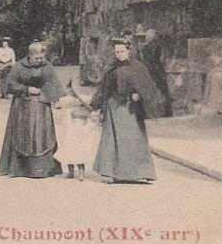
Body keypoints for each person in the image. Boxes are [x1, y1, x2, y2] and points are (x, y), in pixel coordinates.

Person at [90, 37, 163, 183]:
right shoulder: (112, 68)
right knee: (111, 139)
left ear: (129, 51)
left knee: (132, 139)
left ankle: (138, 173)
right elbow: (103, 89)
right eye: (116, 51)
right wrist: (95, 107)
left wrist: (139, 94)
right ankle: (109, 172)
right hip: (113, 107)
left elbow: (148, 87)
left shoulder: (138, 67)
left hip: (130, 109)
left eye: (122, 51)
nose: (119, 54)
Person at [0, 41, 65, 178]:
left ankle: (42, 168)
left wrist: (56, 100)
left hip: (42, 107)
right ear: (30, 55)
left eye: (41, 57)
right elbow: (10, 85)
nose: (39, 61)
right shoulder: (18, 67)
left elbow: (53, 83)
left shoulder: (47, 66)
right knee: (23, 134)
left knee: (42, 135)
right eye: (36, 58)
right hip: (22, 107)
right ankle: (21, 169)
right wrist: (26, 89)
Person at [55, 94, 98, 181]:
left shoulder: (84, 127)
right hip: (71, 140)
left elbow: (90, 126)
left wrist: (93, 121)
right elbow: (65, 120)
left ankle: (81, 173)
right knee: (69, 156)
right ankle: (71, 172)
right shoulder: (70, 124)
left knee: (80, 157)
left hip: (79, 142)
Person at [141, 29, 173, 117]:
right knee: (162, 90)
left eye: (146, 36)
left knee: (156, 90)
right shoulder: (156, 45)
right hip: (157, 70)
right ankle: (165, 112)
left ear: (149, 37)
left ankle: (158, 112)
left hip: (153, 71)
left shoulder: (150, 46)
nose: (145, 37)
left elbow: (150, 59)